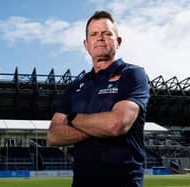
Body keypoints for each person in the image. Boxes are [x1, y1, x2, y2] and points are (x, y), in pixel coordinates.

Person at [47, 10, 150, 187]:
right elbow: (53, 136)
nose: (100, 38)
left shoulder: (132, 75)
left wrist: (72, 119)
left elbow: (116, 124)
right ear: (86, 44)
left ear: (118, 42)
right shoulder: (75, 86)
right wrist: (99, 125)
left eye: (107, 33)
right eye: (94, 34)